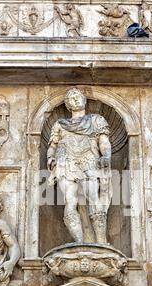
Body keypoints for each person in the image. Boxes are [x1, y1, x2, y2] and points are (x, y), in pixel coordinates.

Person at [47, 88, 112, 244]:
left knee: (93, 198)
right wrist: (50, 157)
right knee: (70, 200)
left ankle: (101, 241)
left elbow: (103, 142)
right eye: (70, 98)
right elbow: (52, 146)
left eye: (77, 97)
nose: (74, 100)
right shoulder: (60, 124)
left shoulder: (96, 120)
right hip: (65, 160)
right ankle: (79, 241)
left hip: (89, 158)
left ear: (84, 100)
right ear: (67, 105)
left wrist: (106, 155)